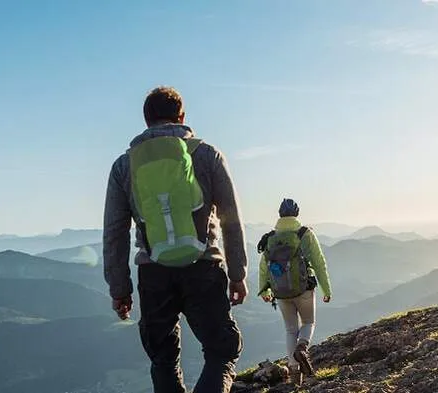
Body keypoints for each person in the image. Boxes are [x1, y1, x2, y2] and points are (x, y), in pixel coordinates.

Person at [103, 86, 249, 393]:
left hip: (153, 271)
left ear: (146, 120)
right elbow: (230, 220)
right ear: (182, 116)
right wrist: (238, 274)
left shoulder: (124, 166)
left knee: (163, 360)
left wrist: (120, 289)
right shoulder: (207, 154)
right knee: (221, 352)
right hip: (204, 267)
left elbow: (115, 232)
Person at [257, 198, 332, 384]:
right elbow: (319, 263)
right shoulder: (304, 234)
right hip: (304, 289)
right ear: (297, 214)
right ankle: (302, 347)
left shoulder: (270, 238)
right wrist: (326, 288)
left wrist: (264, 291)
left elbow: (264, 267)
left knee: (290, 330)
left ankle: (293, 375)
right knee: (308, 322)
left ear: (280, 215)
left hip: (280, 292)